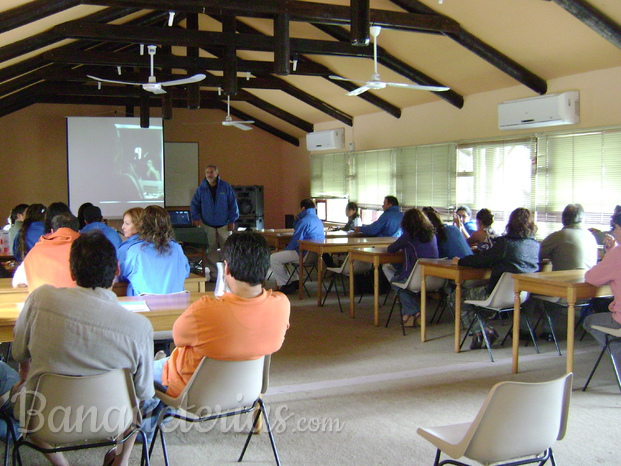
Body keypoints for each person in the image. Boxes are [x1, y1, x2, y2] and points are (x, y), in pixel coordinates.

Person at [10, 230, 156, 466]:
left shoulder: (40, 299)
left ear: (71, 270)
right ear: (117, 270)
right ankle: (122, 460)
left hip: (43, 419)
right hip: (113, 419)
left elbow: (18, 353)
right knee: (137, 403)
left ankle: (62, 464)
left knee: (16, 391)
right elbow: (145, 393)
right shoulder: (139, 327)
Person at [154, 231, 290, 398]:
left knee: (138, 371)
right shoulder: (282, 304)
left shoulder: (205, 310)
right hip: (247, 392)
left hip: (191, 392)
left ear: (227, 268)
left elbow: (178, 339)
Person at [452, 207, 540, 349]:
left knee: (456, 296)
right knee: (473, 302)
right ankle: (481, 330)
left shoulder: (505, 244)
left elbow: (482, 259)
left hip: (496, 295)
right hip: (523, 296)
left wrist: (460, 261)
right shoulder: (535, 245)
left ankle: (483, 331)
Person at [521, 204, 599, 340]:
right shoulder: (591, 236)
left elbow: (534, 255)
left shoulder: (559, 236)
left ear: (564, 219)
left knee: (527, 292)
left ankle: (528, 330)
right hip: (588, 289)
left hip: (565, 290)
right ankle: (548, 329)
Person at [383, 208, 439, 327]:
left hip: (416, 277)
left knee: (396, 282)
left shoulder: (409, 235)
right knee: (403, 283)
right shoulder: (432, 235)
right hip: (435, 278)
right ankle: (407, 317)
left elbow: (391, 249)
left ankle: (415, 312)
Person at [118, 205, 190, 296]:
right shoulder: (177, 248)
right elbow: (185, 272)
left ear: (142, 225)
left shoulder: (135, 251)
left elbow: (121, 275)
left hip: (143, 306)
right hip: (175, 305)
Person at [583, 211, 621, 370]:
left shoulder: (617, 254)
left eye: (615, 227)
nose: (613, 231)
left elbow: (591, 277)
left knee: (588, 321)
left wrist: (609, 255)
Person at [190, 165, 239, 280]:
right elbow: (194, 204)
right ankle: (214, 275)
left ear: (217, 173)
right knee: (211, 251)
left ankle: (228, 275)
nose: (209, 175)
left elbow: (233, 204)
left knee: (227, 250)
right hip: (208, 225)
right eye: (207, 172)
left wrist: (232, 220)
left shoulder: (225, 187)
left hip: (224, 225)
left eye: (211, 172)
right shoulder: (201, 189)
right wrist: (195, 217)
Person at [12, 212, 80, 290]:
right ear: (78, 231)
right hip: (78, 300)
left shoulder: (35, 251)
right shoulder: (88, 250)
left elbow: (17, 282)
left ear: (52, 231)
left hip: (44, 301)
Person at [270, 198, 325, 294]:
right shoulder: (318, 220)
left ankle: (285, 284)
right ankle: (296, 280)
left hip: (303, 253)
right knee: (288, 258)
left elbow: (296, 240)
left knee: (274, 258)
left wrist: (284, 250)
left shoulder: (305, 221)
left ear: (303, 208)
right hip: (314, 255)